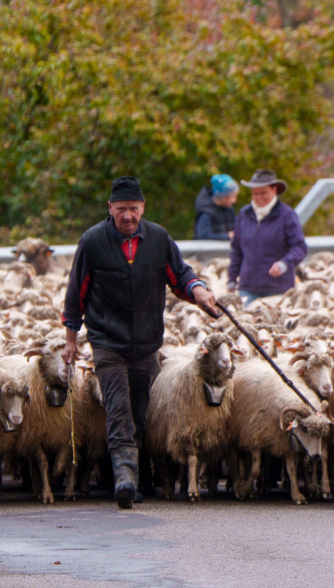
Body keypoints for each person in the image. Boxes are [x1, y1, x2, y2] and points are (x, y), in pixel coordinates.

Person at [61, 176, 218, 509]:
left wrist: (199, 291)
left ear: (142, 208)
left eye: (133, 209)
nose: (128, 215)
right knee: (118, 407)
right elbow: (77, 292)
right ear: (110, 209)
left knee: (139, 411)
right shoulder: (92, 241)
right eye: (121, 210)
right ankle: (125, 480)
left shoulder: (158, 238)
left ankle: (135, 474)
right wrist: (71, 338)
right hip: (107, 341)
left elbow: (180, 275)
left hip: (146, 342)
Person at [227, 169, 307, 306]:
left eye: (263, 192)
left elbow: (300, 247)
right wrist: (232, 279)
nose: (259, 197)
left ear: (274, 190)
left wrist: (284, 264)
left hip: (279, 290)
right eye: (255, 193)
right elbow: (236, 250)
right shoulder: (244, 214)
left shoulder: (287, 215)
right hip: (248, 288)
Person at [194, 174, 238, 240]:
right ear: (222, 197)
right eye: (232, 197)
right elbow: (203, 236)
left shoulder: (230, 210)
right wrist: (227, 236)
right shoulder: (206, 212)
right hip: (208, 250)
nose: (234, 201)